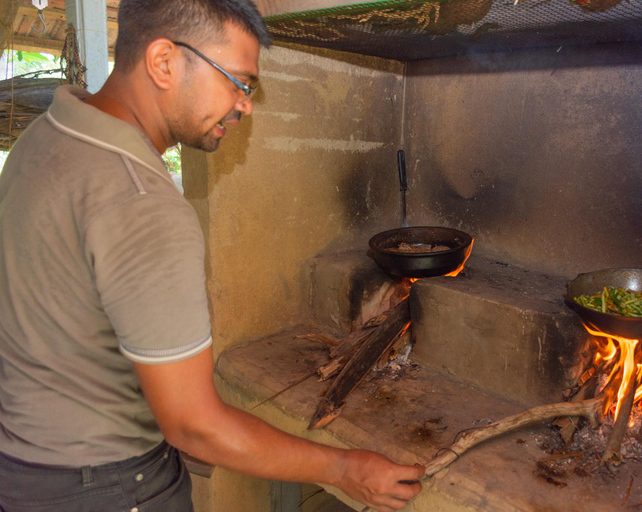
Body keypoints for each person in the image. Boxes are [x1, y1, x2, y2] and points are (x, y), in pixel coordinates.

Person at [0, 1, 423, 511]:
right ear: (164, 62)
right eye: (239, 82)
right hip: (106, 488)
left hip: (23, 466)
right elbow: (194, 425)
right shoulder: (140, 203)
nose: (246, 106)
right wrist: (343, 468)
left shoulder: (47, 135)